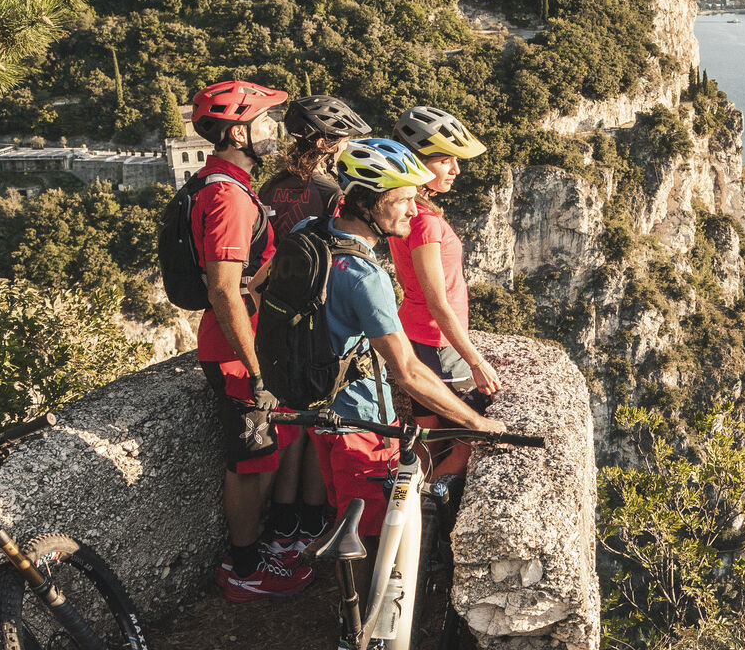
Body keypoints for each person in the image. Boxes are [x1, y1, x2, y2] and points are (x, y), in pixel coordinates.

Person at [304, 138, 510, 534]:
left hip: (316, 403)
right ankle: (366, 591)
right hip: (361, 419)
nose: (414, 211)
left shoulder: (309, 234)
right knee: (366, 534)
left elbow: (260, 288)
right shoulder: (366, 277)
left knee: (346, 517)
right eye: (403, 200)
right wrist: (478, 425)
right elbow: (408, 372)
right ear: (369, 202)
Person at [183, 79, 314, 601]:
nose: (274, 132)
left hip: (246, 345)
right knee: (250, 460)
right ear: (238, 130)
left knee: (263, 453)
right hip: (238, 352)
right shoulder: (228, 197)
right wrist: (258, 370)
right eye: (265, 122)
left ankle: (253, 553)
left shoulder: (223, 181)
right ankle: (241, 567)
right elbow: (223, 289)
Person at [250, 92, 371, 562]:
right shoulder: (331, 194)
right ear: (324, 141)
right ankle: (317, 521)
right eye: (340, 139)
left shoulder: (269, 188)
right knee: (320, 423)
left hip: (273, 312)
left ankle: (284, 527)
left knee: (288, 428)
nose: (344, 148)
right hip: (317, 320)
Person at [390, 106, 503, 489]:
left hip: (418, 338)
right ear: (418, 165)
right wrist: (476, 361)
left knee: (427, 441)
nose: (455, 169)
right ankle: (428, 513)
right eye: (444, 160)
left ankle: (410, 527)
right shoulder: (425, 223)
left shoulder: (409, 213)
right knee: (467, 444)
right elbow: (437, 300)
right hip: (438, 346)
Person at [257, 94, 371, 226]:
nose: (347, 147)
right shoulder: (332, 195)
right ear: (322, 145)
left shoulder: (269, 187)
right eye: (345, 141)